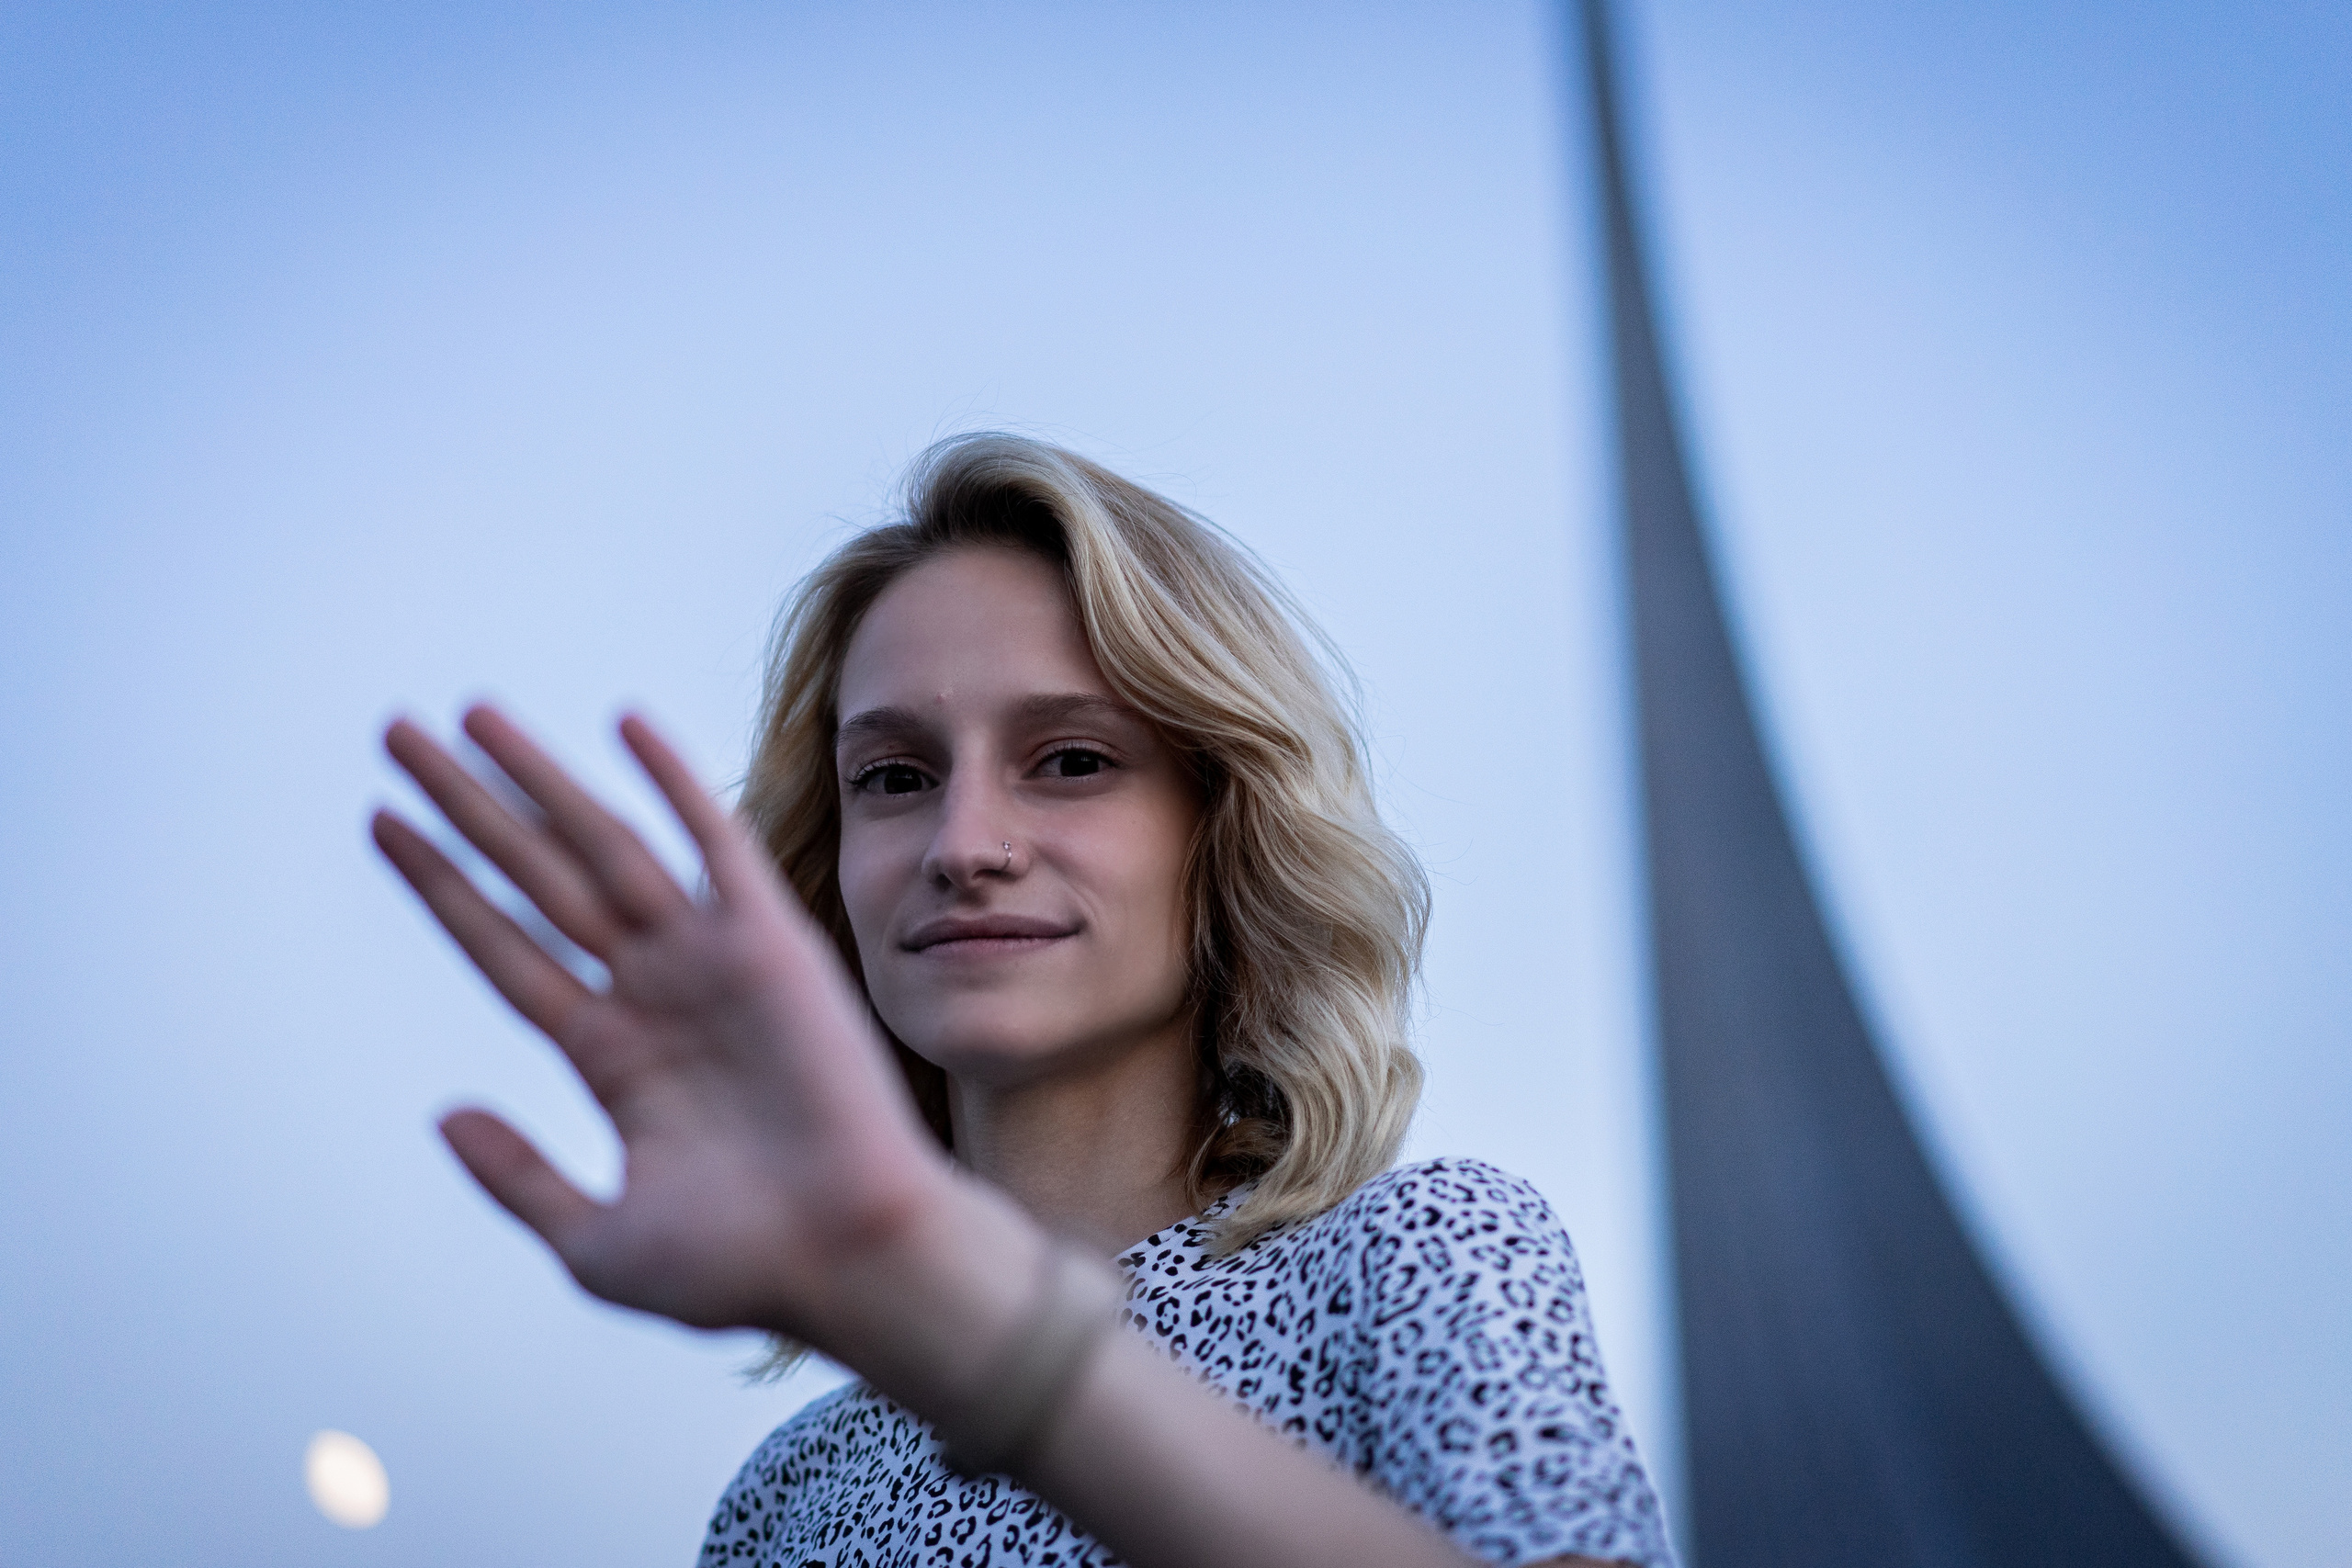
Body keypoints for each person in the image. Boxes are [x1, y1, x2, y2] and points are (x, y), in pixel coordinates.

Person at [373, 434, 1675, 1568]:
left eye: (1069, 760)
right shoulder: (782, 1502)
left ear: (1225, 830)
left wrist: (959, 1307)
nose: (965, 842)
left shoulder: (1421, 1258)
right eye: (892, 777)